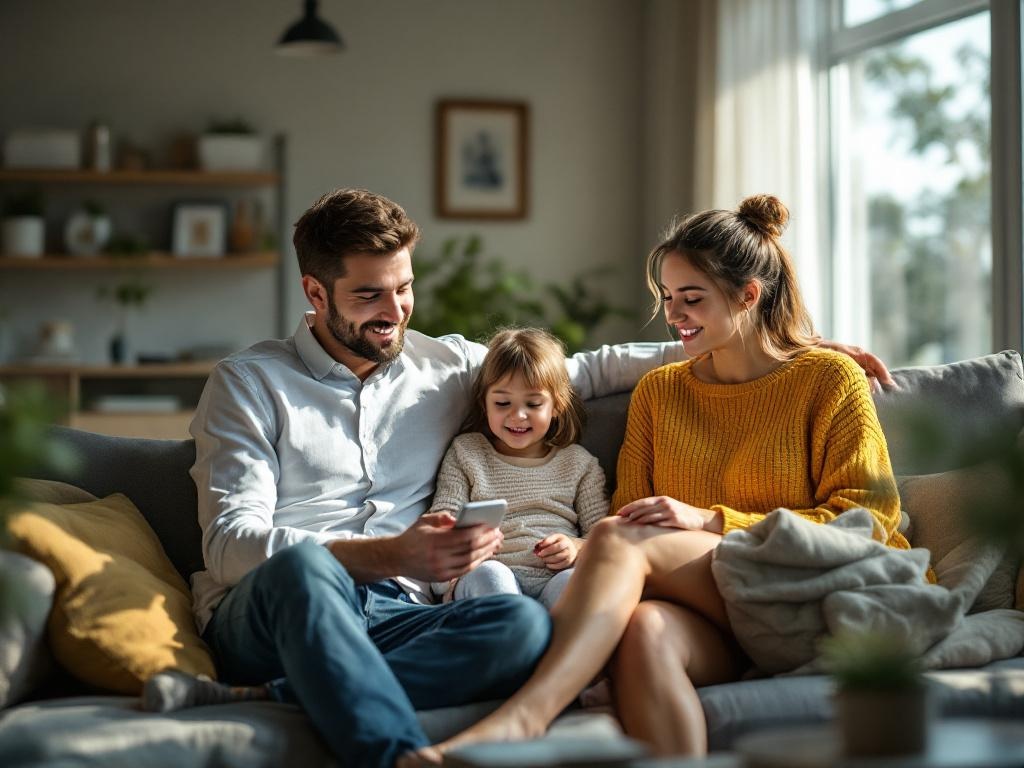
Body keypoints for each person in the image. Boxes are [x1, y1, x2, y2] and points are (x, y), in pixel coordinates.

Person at [144, 188, 706, 768]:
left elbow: (585, 370)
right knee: (307, 567)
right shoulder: (248, 384)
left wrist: (728, 343)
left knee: (519, 624)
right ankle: (396, 757)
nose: (395, 311)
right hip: (277, 610)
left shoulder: (447, 366)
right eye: (369, 295)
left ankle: (276, 697)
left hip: (400, 614)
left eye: (404, 287)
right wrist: (390, 555)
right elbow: (229, 546)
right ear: (315, 292)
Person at [428, 194, 907, 762]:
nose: (674, 314)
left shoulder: (829, 380)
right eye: (668, 298)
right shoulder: (660, 391)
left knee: (615, 537)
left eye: (692, 299)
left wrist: (710, 521)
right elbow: (628, 510)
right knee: (643, 632)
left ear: (748, 295)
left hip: (799, 595)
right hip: (715, 615)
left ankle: (526, 715)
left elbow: (870, 520)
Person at [428, 327, 608, 610]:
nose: (517, 415)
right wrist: (456, 565)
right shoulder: (467, 453)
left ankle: (553, 646)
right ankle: (515, 628)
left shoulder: (579, 463)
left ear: (557, 405)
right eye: (502, 403)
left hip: (555, 579)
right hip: (489, 577)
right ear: (484, 404)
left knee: (575, 581)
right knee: (491, 575)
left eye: (533, 404)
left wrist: (576, 548)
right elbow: (442, 522)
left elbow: (604, 536)